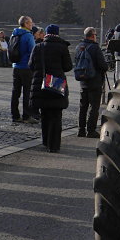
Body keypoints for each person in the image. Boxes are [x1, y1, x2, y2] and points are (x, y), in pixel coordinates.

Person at [28, 24, 72, 153]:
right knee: (56, 116)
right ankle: (54, 145)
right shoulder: (62, 47)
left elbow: (31, 65)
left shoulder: (38, 47)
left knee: (45, 114)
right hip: (57, 85)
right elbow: (68, 66)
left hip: (41, 85)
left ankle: (46, 141)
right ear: (57, 34)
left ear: (46, 34)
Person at [75, 27, 109, 138]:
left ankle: (80, 130)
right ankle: (91, 130)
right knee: (94, 107)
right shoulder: (95, 48)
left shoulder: (79, 47)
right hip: (94, 82)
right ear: (92, 35)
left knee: (83, 106)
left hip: (83, 80)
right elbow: (102, 65)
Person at [10, 16, 37, 124]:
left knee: (15, 92)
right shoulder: (28, 36)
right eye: (30, 22)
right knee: (27, 93)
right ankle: (26, 116)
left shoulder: (14, 33)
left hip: (15, 66)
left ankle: (15, 116)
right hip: (26, 68)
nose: (32, 24)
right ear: (26, 24)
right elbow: (33, 51)